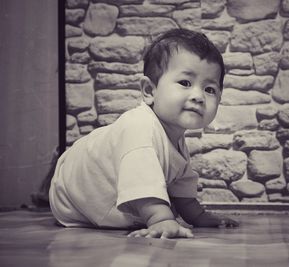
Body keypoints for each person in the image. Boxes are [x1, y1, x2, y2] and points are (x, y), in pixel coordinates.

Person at [49, 28, 239, 239]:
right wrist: (161, 219)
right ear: (149, 91)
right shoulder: (139, 126)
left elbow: (181, 187)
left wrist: (199, 216)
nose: (198, 96)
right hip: (72, 194)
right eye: (185, 83)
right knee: (146, 190)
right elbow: (141, 177)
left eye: (209, 89)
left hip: (102, 189)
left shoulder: (176, 141)